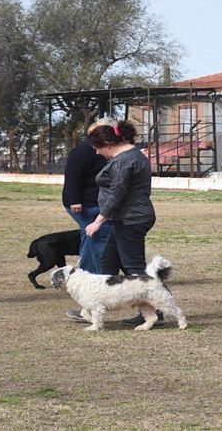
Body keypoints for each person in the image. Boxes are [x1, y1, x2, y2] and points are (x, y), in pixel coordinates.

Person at [85, 119, 158, 325]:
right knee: (108, 263)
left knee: (134, 268)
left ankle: (157, 310)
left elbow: (118, 193)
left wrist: (98, 221)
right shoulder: (129, 157)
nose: (97, 153)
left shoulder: (124, 160)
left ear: (108, 144)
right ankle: (94, 308)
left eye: (97, 149)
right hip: (125, 219)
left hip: (131, 219)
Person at [62, 120, 114, 322]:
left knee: (90, 238)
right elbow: (72, 176)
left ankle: (88, 281)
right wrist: (75, 199)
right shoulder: (83, 151)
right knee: (99, 241)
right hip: (85, 204)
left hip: (98, 203)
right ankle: (100, 286)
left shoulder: (107, 151)